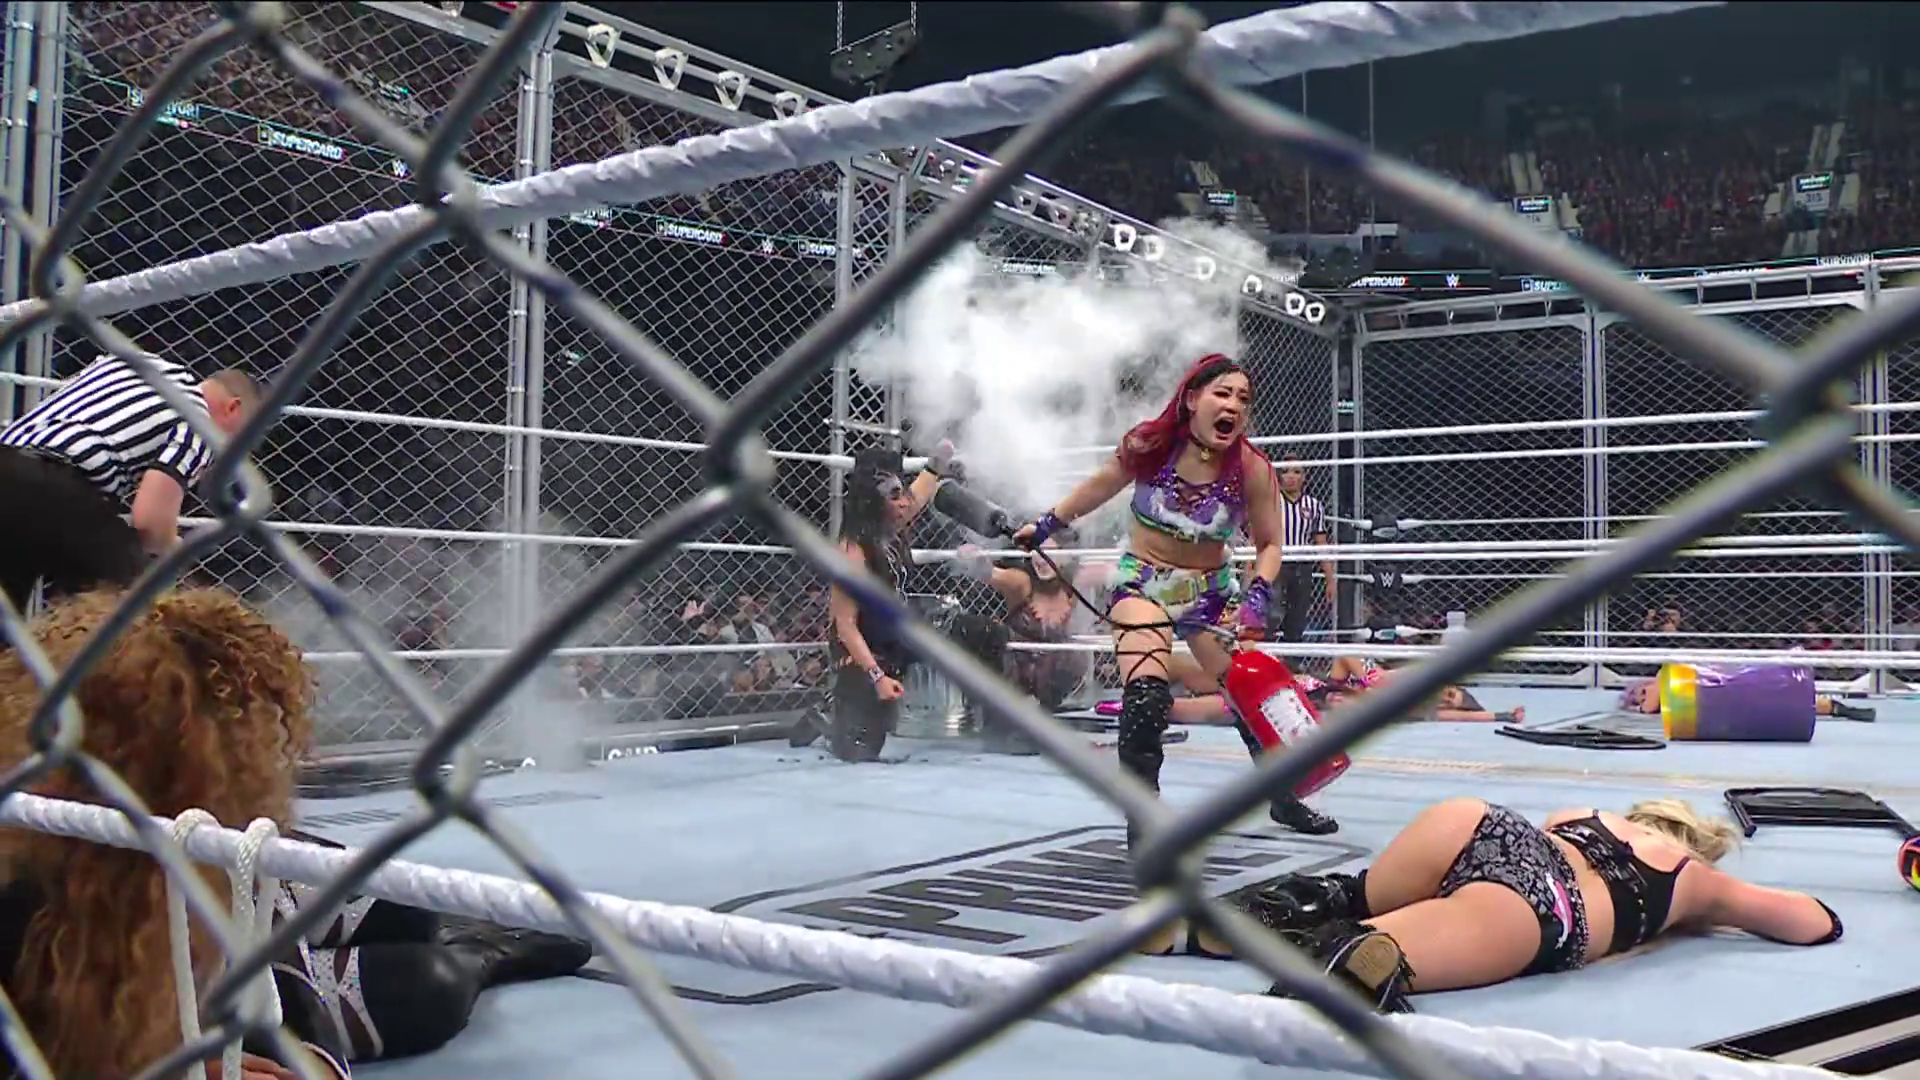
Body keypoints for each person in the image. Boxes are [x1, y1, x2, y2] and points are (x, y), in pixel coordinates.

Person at [0, 587, 591, 1079]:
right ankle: (481, 958)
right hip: (165, 1007)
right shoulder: (23, 853)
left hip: (250, 906)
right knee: (427, 987)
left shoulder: (217, 844)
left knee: (404, 906)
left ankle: (454, 929)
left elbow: (281, 983)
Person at [1013, 354, 1337, 838]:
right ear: (1192, 399)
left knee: (1248, 693)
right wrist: (1044, 525)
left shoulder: (1250, 467)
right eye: (1222, 393)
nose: (1234, 406)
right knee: (1146, 696)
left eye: (1243, 399)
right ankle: (1143, 822)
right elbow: (1099, 487)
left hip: (1209, 592)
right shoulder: (1151, 446)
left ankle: (1284, 798)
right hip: (1143, 582)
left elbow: (1271, 544)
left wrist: (1258, 593)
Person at [1230, 797, 1841, 1011]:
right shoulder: (1691, 879)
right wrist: (1708, 907)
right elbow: (1813, 922)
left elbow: (1531, 850)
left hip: (1478, 823)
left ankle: (1237, 919)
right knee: (1367, 959)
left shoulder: (1586, 814)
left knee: (1354, 897)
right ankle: (1349, 953)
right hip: (1546, 906)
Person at [0, 353, 261, 613]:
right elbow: (150, 522)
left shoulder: (137, 363)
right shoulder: (200, 424)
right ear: (233, 408)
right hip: (55, 486)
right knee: (136, 601)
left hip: (7, 459)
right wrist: (174, 549)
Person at [789, 444, 947, 761]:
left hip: (895, 635)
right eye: (895, 495)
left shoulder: (892, 523)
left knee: (971, 631)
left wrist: (937, 464)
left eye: (903, 494)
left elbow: (919, 493)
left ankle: (1002, 726)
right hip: (858, 648)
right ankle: (828, 715)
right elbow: (845, 626)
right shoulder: (852, 550)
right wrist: (877, 678)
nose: (905, 502)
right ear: (873, 501)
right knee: (858, 750)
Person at [1619, 672, 1875, 722]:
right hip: (1720, 702)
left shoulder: (1661, 678)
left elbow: (1650, 706)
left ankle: (1836, 707)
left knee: (1778, 699)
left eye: (1640, 694)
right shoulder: (1669, 691)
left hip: (1721, 691)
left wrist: (1640, 706)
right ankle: (1835, 708)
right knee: (1780, 704)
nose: (1643, 699)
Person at [1272, 455, 1337, 644]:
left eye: (1297, 471)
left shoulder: (1314, 506)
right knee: (1271, 615)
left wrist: (1330, 578)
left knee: (1297, 618)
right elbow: (1257, 537)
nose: (1291, 476)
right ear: (1279, 476)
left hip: (1302, 566)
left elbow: (1321, 542)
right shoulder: (1271, 502)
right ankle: (1267, 656)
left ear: (1304, 477)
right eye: (1285, 471)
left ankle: (1292, 659)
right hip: (1275, 563)